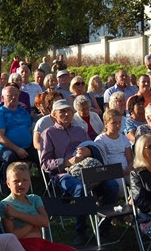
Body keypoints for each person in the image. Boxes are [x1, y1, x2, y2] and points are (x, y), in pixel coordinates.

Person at [40, 99, 119, 241]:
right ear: (54, 115)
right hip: (63, 174)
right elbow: (45, 163)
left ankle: (104, 226)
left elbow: (94, 149)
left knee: (112, 185)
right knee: (79, 189)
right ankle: (81, 230)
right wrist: (66, 162)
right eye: (62, 111)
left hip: (87, 168)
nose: (66, 114)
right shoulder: (48, 134)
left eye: (69, 111)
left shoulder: (80, 131)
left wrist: (89, 151)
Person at [0, 84, 36, 167]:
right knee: (10, 157)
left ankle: (53, 179)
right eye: (10, 95)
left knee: (42, 154)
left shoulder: (24, 112)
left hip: (27, 146)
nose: (13, 97)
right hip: (7, 148)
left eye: (16, 95)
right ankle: (5, 179)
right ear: (2, 98)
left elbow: (30, 129)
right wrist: (17, 149)